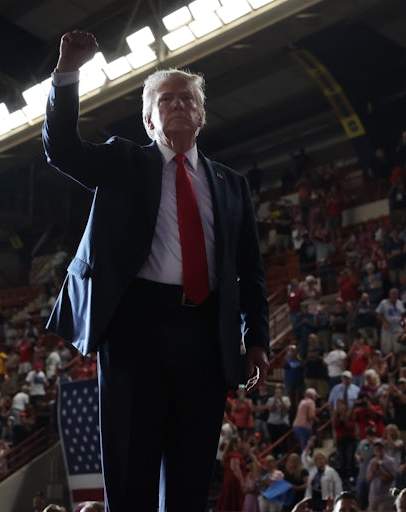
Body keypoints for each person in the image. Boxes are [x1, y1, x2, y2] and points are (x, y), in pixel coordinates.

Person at [43, 30, 269, 511]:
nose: (179, 105)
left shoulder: (232, 185)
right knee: (131, 472)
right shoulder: (123, 161)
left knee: (189, 478)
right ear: (149, 119)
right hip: (135, 329)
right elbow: (62, 149)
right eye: (166, 100)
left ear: (202, 115)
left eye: (188, 99)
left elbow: (250, 271)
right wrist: (68, 72)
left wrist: (258, 340)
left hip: (206, 333)